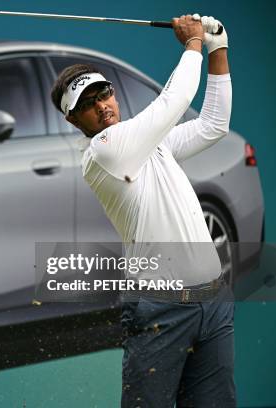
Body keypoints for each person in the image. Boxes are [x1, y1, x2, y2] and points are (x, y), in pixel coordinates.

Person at [50, 14, 234, 407]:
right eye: (87, 104)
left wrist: (218, 50)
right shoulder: (104, 152)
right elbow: (176, 100)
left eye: (103, 94)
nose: (101, 107)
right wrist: (193, 43)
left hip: (213, 301)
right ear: (72, 119)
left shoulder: (151, 143)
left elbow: (214, 125)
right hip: (160, 310)